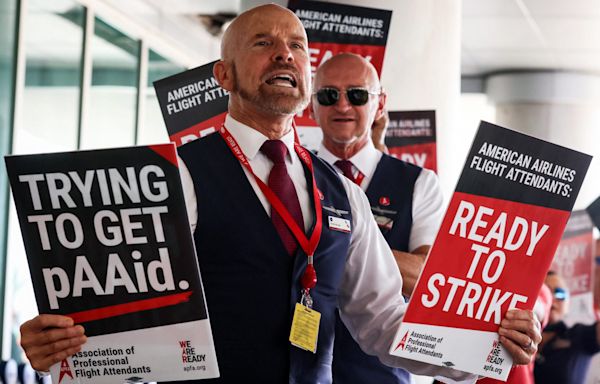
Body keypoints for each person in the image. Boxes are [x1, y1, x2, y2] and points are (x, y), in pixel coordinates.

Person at [19, 5, 541, 384]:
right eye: (263, 43)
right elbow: (115, 323)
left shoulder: (342, 194)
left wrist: (484, 343)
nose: (284, 54)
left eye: (296, 45)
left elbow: (384, 325)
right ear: (223, 74)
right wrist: (61, 345)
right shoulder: (173, 176)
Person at [311, 53, 446, 383]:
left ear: (380, 104)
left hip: (383, 372)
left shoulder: (419, 182)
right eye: (329, 95)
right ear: (311, 105)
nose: (342, 106)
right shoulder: (292, 175)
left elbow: (427, 277)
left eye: (357, 94)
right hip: (301, 367)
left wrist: (340, 245)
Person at [535, 271, 600, 384]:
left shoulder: (579, 336)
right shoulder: (517, 332)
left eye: (560, 293)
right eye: (545, 292)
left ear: (568, 303)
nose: (552, 298)